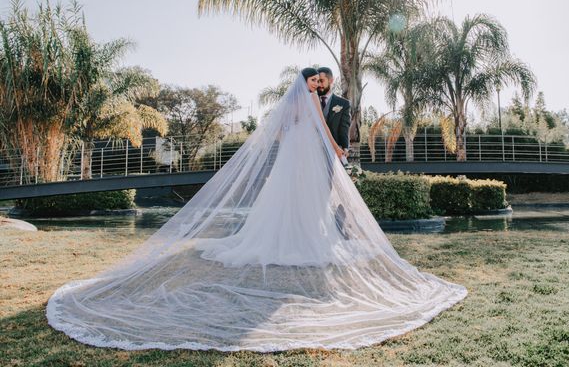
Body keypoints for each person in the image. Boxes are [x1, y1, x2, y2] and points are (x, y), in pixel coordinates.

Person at [47, 68, 467, 352]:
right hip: (306, 157)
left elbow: (282, 136)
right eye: (314, 80)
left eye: (321, 81)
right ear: (310, 83)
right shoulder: (312, 105)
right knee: (298, 202)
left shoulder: (297, 105)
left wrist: (317, 143)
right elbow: (318, 130)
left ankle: (299, 235)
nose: (318, 85)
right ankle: (307, 238)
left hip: (295, 161)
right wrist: (330, 144)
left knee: (289, 201)